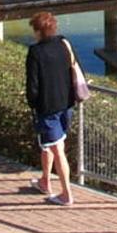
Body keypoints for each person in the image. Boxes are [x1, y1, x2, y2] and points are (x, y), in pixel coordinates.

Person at [24, 11, 77, 206]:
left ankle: (67, 194)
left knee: (57, 149)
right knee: (50, 145)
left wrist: (32, 104)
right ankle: (45, 181)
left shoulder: (35, 52)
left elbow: (32, 86)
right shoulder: (63, 44)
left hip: (47, 108)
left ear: (39, 31)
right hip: (66, 103)